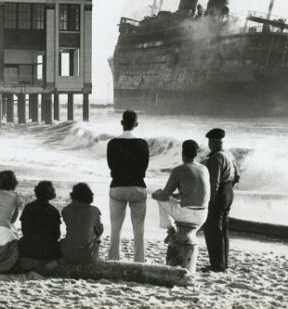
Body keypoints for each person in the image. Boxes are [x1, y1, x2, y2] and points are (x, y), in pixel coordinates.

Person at [106, 110, 149, 263]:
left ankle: (113, 259)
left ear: (122, 123)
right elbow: (144, 168)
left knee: (115, 227)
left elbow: (111, 166)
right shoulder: (143, 143)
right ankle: (139, 260)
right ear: (136, 124)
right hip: (138, 187)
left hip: (118, 187)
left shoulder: (112, 143)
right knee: (139, 229)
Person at [152, 139, 210, 239]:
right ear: (196, 155)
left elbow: (164, 196)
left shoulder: (179, 170)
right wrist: (173, 197)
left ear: (182, 153)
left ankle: (170, 229)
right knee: (168, 198)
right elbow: (191, 193)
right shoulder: (204, 169)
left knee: (160, 196)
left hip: (187, 215)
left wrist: (154, 195)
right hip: (203, 215)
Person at [202, 128, 240, 273]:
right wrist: (229, 189)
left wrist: (210, 199)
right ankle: (224, 263)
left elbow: (214, 182)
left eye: (210, 142)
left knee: (213, 229)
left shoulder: (216, 157)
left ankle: (216, 265)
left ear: (212, 142)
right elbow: (237, 175)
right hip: (229, 191)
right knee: (224, 229)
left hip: (219, 194)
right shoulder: (228, 155)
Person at [60, 183, 103, 264]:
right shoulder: (94, 210)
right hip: (88, 255)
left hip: (68, 253)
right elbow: (100, 230)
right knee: (97, 231)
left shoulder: (65, 210)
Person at [18, 181, 61, 261]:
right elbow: (57, 235)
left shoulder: (28, 207)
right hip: (48, 251)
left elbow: (25, 231)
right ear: (51, 194)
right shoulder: (53, 211)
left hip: (29, 249)